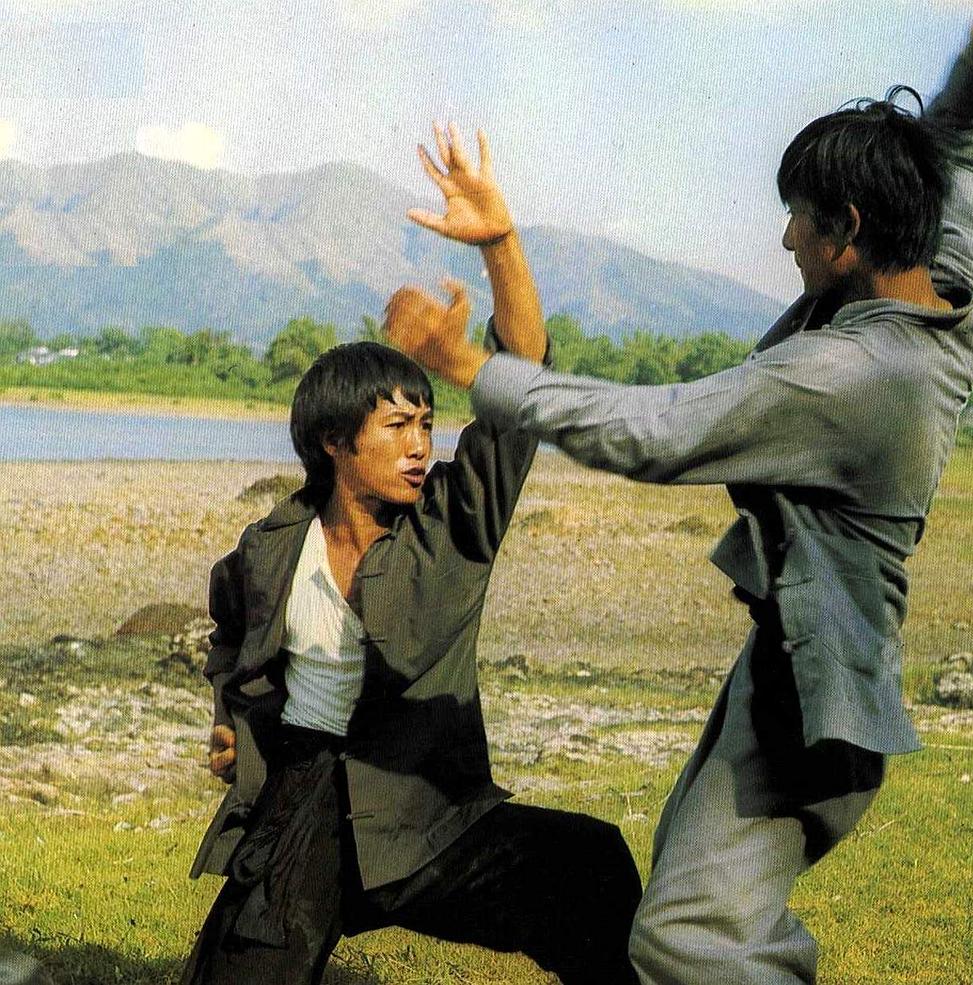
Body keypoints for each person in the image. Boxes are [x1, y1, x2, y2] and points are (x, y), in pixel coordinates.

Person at [383, 3, 973, 982]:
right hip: (802, 662)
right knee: (686, 908)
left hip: (814, 698)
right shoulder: (949, 290)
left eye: (799, 217)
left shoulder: (847, 378)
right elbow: (961, 155)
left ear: (849, 229)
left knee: (685, 937)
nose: (784, 238)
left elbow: (652, 431)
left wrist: (468, 366)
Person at [180, 128, 642, 985]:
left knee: (590, 864)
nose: (421, 444)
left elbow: (524, 375)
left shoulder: (452, 524)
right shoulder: (271, 548)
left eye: (428, 423)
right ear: (333, 442)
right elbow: (230, 636)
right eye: (397, 425)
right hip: (303, 805)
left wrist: (500, 242)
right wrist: (231, 726)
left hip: (427, 807)